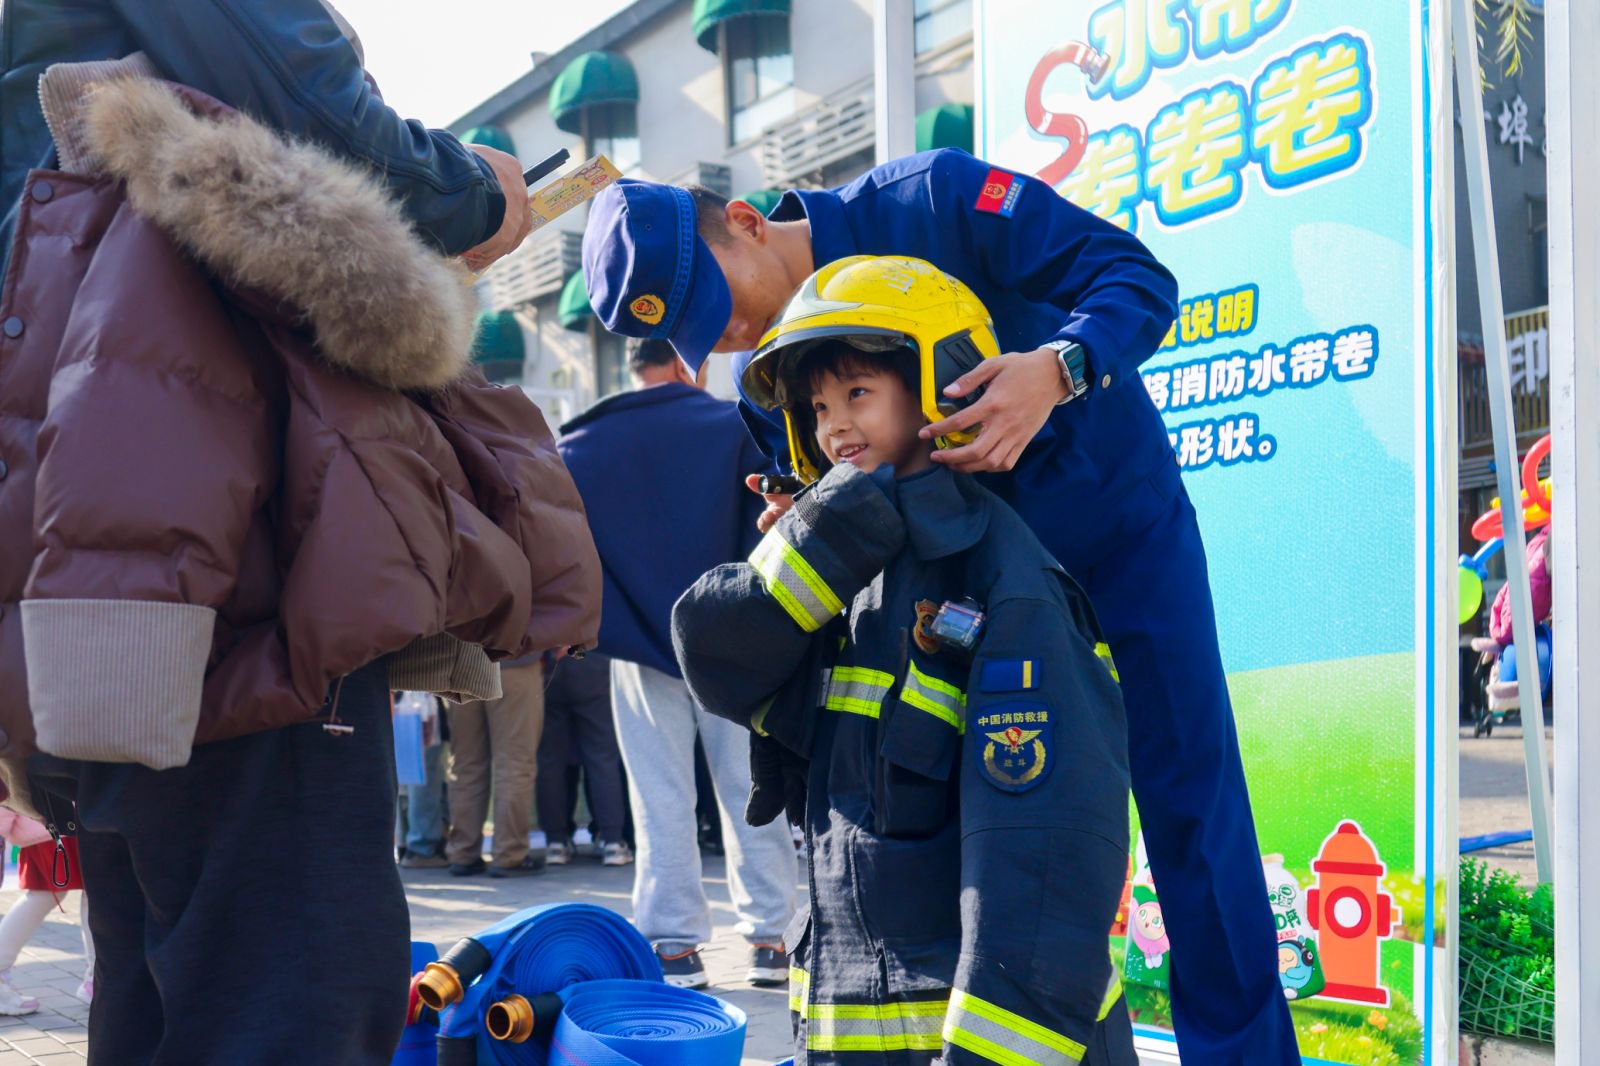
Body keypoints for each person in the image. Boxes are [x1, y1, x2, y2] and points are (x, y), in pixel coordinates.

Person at [582, 154, 1296, 1061]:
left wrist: (1058, 369)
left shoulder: (933, 203)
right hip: (947, 626)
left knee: (1190, 806)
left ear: (749, 222)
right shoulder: (771, 385)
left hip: (1118, 545)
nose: (731, 338)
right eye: (705, 338)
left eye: (722, 307)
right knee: (983, 865)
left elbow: (1134, 277)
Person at [0, 3, 601, 1061]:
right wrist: (470, 190)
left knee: (153, 982)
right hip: (240, 530)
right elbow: (307, 97)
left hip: (70, 528)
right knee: (288, 981)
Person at [673, 256, 1135, 1065]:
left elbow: (1044, 853)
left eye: (858, 393)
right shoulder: (837, 576)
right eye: (818, 406)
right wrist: (815, 536)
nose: (833, 426)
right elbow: (719, 657)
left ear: (941, 387)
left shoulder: (1004, 582)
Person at [557, 337, 797, 989]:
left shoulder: (579, 446)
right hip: (733, 634)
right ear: (688, 362)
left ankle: (673, 945)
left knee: (658, 791)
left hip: (637, 640)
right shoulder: (731, 426)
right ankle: (773, 937)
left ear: (632, 364)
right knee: (750, 785)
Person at [444, 656, 547, 877]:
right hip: (513, 661)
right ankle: (510, 854)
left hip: (459, 664)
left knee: (465, 764)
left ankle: (463, 852)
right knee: (514, 762)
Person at [537, 650, 631, 866]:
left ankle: (556, 842)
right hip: (594, 660)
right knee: (602, 759)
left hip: (550, 662)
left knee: (550, 761)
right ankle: (612, 841)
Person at [0, 809, 93, 1012]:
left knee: (90, 893)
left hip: (52, 821)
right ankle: (96, 978)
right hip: (52, 821)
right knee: (89, 893)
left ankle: (96, 978)